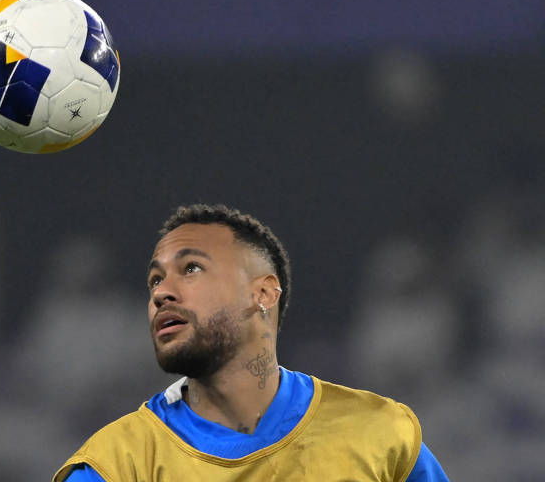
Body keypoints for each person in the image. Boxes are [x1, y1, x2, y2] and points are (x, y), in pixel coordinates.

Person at [52, 204, 449, 481]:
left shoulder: (381, 436)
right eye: (155, 279)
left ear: (262, 294)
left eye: (192, 269)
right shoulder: (115, 466)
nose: (162, 292)